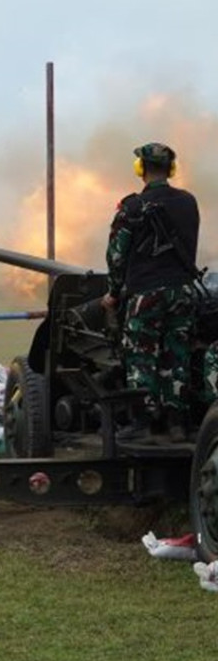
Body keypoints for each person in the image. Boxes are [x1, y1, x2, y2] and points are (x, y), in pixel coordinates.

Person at [102, 142, 200, 443]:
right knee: (177, 356)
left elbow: (116, 256)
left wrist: (113, 293)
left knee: (141, 356)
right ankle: (177, 424)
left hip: (146, 294)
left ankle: (142, 423)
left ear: (140, 169)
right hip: (183, 292)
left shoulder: (132, 207)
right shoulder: (188, 202)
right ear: (171, 169)